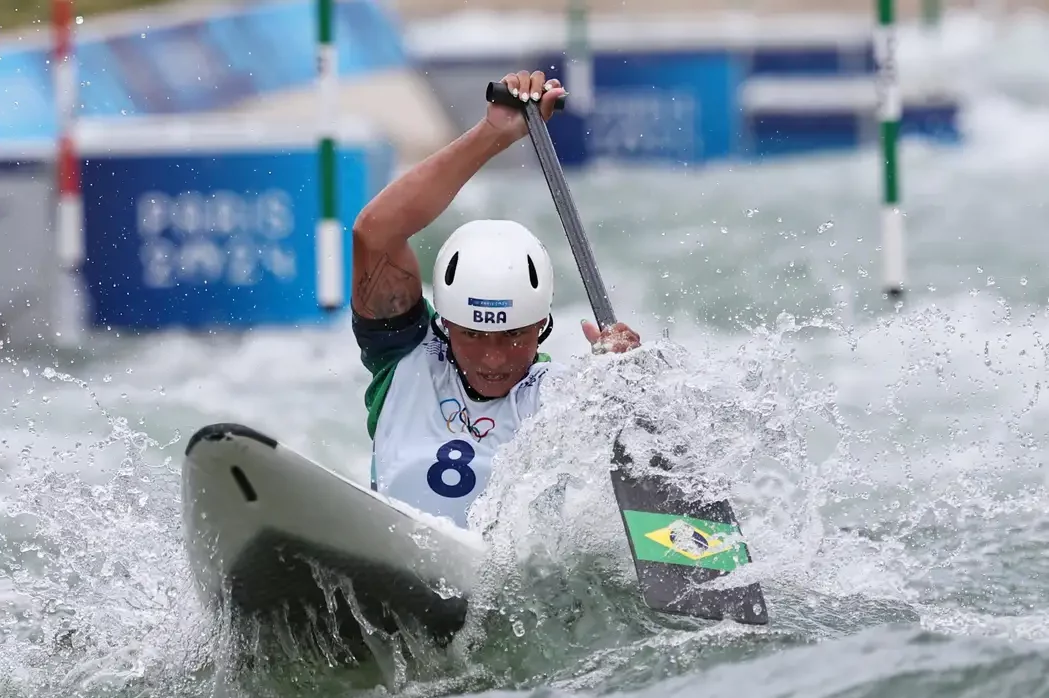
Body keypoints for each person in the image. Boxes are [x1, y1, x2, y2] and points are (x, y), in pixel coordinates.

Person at [350, 69, 641, 528]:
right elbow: (375, 233)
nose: (492, 357)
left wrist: (626, 383)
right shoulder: (403, 358)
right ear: (445, 324)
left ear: (541, 326)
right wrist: (493, 134)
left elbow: (629, 437)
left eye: (513, 336)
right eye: (473, 335)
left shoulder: (562, 399)